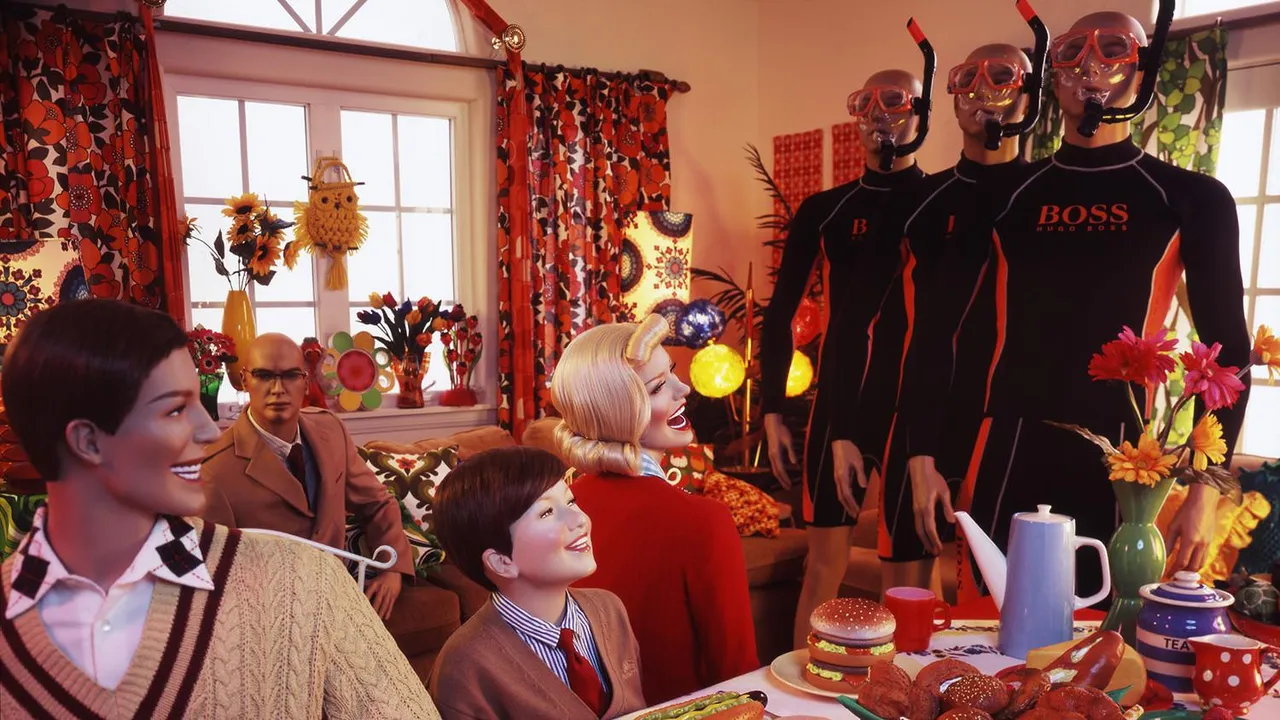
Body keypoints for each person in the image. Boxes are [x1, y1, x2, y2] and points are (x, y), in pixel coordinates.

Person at [0, 299, 437, 718]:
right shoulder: (217, 479)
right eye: (175, 410)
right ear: (88, 441)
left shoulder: (308, 578)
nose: (209, 430)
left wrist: (393, 568)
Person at [951, 9, 1251, 603]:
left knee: (1104, 646)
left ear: (1142, 71)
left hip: (1122, 459)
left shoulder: (1190, 198)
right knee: (984, 636)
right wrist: (937, 457)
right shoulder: (1004, 196)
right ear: (1051, 74)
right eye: (1072, 53)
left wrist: (1205, 490)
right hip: (1005, 444)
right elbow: (965, 337)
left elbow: (1229, 353)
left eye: (1111, 50)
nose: (1089, 67)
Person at [760, 67, 930, 649]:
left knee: (908, 577)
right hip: (838, 400)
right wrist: (772, 408)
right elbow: (781, 311)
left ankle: (903, 688)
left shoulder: (939, 202)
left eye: (895, 103)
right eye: (866, 105)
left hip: (912, 403)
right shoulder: (826, 210)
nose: (880, 117)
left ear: (920, 113)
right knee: (823, 568)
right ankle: (795, 687)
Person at [883, 39, 1043, 594]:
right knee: (906, 608)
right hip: (929, 420)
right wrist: (917, 450)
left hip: (1016, 428)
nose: (981, 94)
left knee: (1004, 607)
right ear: (950, 99)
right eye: (967, 82)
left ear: (1029, 96)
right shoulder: (923, 203)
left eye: (1000, 78)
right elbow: (910, 330)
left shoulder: (1044, 194)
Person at [552, 314, 757, 703]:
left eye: (673, 372)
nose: (684, 388)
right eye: (659, 386)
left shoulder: (560, 509)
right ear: (618, 409)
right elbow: (738, 675)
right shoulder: (703, 520)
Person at [201, 333, 411, 620]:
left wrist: (392, 568)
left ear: (306, 381)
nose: (278, 389)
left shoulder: (331, 430)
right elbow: (216, 576)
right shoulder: (215, 470)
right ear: (244, 380)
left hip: (338, 596)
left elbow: (377, 502)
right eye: (264, 376)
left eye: (291, 376)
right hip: (271, 615)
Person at [428, 446, 645, 719]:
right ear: (502, 562)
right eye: (546, 513)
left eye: (570, 501)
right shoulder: (464, 667)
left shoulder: (610, 609)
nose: (580, 520)